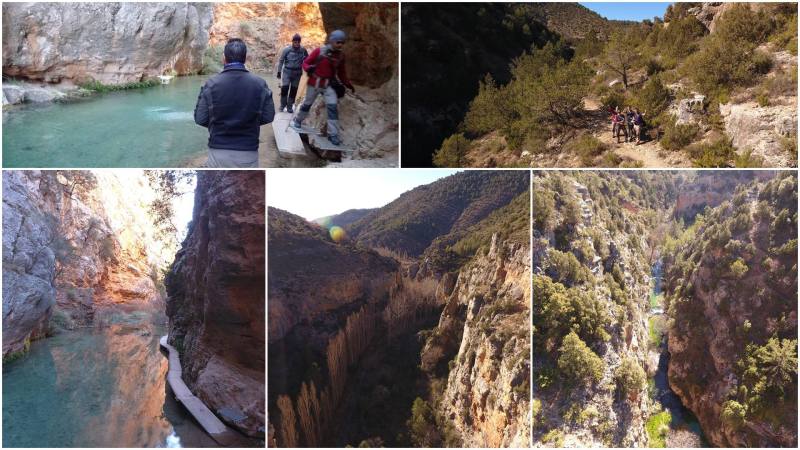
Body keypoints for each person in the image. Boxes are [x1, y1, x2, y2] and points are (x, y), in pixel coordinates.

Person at [194, 38, 275, 168]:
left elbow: (200, 118)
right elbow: (268, 116)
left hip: (218, 152)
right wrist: (250, 120)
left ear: (224, 58)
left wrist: (217, 123)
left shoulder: (211, 84)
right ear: (246, 58)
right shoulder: (260, 84)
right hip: (248, 153)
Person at [290, 29, 355, 146]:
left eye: (342, 43)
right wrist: (308, 68)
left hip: (328, 85)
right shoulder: (319, 51)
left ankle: (333, 135)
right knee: (307, 104)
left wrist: (348, 84)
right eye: (338, 42)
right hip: (314, 83)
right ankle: (298, 120)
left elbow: (342, 73)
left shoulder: (341, 56)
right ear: (332, 41)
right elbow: (305, 62)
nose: (340, 45)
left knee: (332, 108)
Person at [275, 33, 308, 113]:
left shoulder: (303, 50)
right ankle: (282, 105)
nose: (296, 43)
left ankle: (289, 106)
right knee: (284, 89)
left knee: (293, 90)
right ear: (292, 42)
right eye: (295, 42)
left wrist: (307, 66)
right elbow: (281, 60)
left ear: (300, 42)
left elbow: (308, 59)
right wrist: (279, 71)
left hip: (297, 73)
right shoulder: (287, 50)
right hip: (287, 72)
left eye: (298, 42)